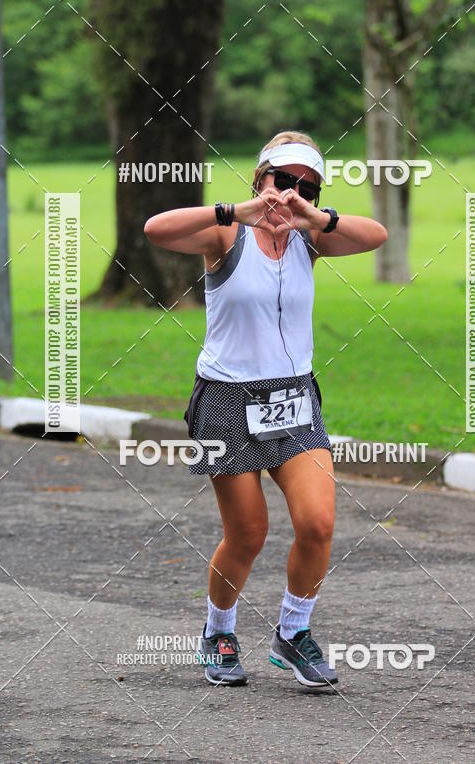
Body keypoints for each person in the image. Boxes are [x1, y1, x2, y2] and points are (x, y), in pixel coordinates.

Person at [144, 130, 387, 689]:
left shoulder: (310, 238)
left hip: (296, 399)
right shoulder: (227, 233)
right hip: (227, 401)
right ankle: (218, 632)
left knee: (318, 522)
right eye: (283, 181)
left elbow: (376, 236)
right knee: (249, 533)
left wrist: (315, 218)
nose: (291, 194)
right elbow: (156, 230)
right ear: (261, 180)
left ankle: (293, 633)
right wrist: (239, 209)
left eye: (307, 186)